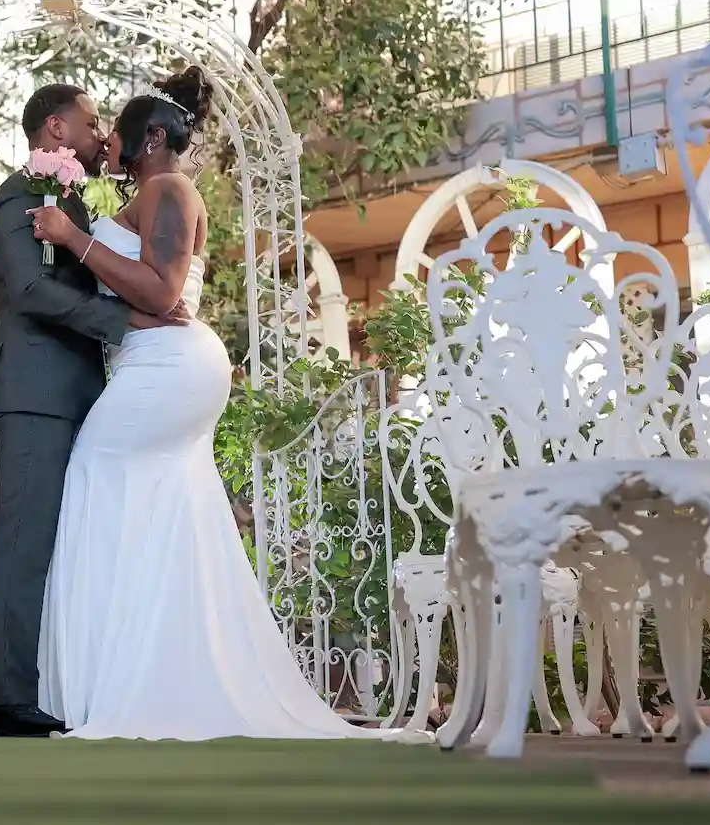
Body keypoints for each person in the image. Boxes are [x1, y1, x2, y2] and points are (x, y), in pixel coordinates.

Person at [27, 67, 433, 742]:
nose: (112, 148)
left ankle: (116, 684)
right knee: (164, 515)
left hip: (168, 366)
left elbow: (160, 292)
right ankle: (153, 678)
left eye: (120, 136)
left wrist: (76, 240)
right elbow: (135, 289)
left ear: (152, 138)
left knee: (94, 478)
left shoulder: (170, 188)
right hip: (154, 362)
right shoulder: (148, 194)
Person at [0, 84, 188, 738]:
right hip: (34, 389)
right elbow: (33, 289)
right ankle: (8, 697)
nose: (101, 137)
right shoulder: (21, 192)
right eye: (92, 124)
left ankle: (64, 683)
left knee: (67, 545)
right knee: (24, 540)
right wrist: (124, 317)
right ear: (58, 129)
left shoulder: (73, 202)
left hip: (80, 392)